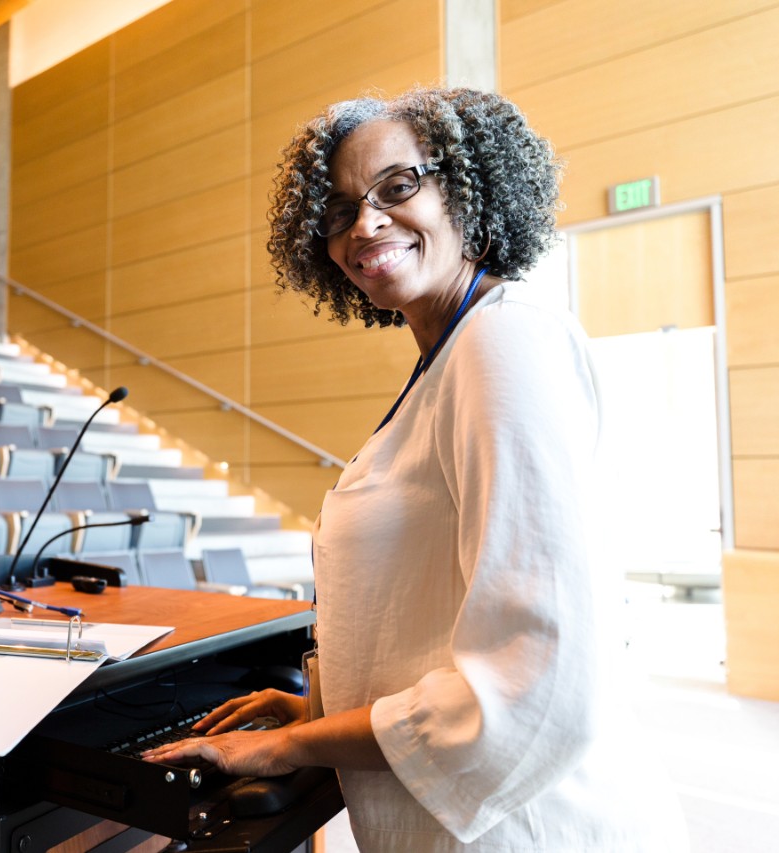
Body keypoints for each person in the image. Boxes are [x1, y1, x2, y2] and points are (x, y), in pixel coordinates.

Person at [143, 88, 689, 851]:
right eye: (337, 212)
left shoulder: (504, 344)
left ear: (468, 190)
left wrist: (293, 747)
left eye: (398, 187)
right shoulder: (455, 353)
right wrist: (320, 713)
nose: (364, 224)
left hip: (535, 828)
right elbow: (428, 612)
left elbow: (535, 675)